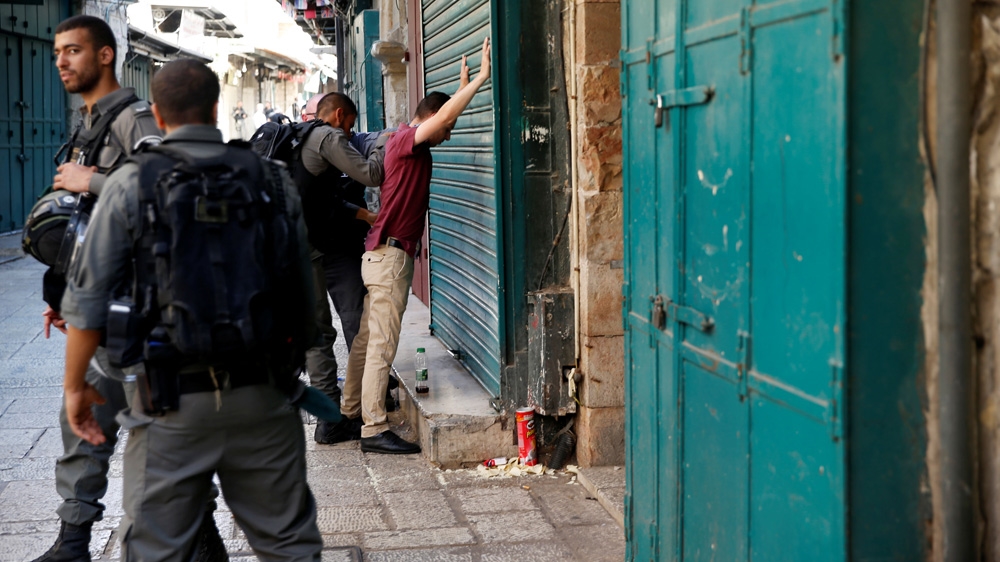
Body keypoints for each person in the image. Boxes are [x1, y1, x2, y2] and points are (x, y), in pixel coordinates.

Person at [59, 58, 323, 561]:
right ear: (216, 108)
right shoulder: (269, 176)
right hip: (263, 395)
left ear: (157, 115)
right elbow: (303, 296)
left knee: (156, 549)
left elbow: (88, 303)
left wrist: (76, 387)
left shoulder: (130, 182)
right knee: (290, 544)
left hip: (168, 403)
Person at [29, 16, 229, 562]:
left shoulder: (135, 117)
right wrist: (63, 294)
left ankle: (200, 539)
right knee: (85, 432)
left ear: (106, 56)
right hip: (105, 309)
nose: (62, 61)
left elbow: (172, 183)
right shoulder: (88, 121)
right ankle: (72, 541)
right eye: (56, 53)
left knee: (163, 443)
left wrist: (87, 179)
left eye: (73, 51)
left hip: (146, 315)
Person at [343, 38, 492, 455]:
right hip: (389, 259)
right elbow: (439, 119)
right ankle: (373, 428)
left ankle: (350, 409)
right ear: (430, 118)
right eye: (447, 127)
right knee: (382, 346)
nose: (448, 135)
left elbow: (441, 117)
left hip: (380, 255)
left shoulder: (405, 143)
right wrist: (479, 79)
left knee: (366, 340)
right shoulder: (408, 140)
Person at [294, 92, 387, 445]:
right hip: (308, 249)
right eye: (350, 123)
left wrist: (363, 214)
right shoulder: (328, 137)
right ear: (338, 114)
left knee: (315, 332)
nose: (351, 132)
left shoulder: (298, 137)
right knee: (321, 335)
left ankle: (333, 416)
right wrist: (383, 142)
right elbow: (372, 174)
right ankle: (331, 421)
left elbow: (324, 201)